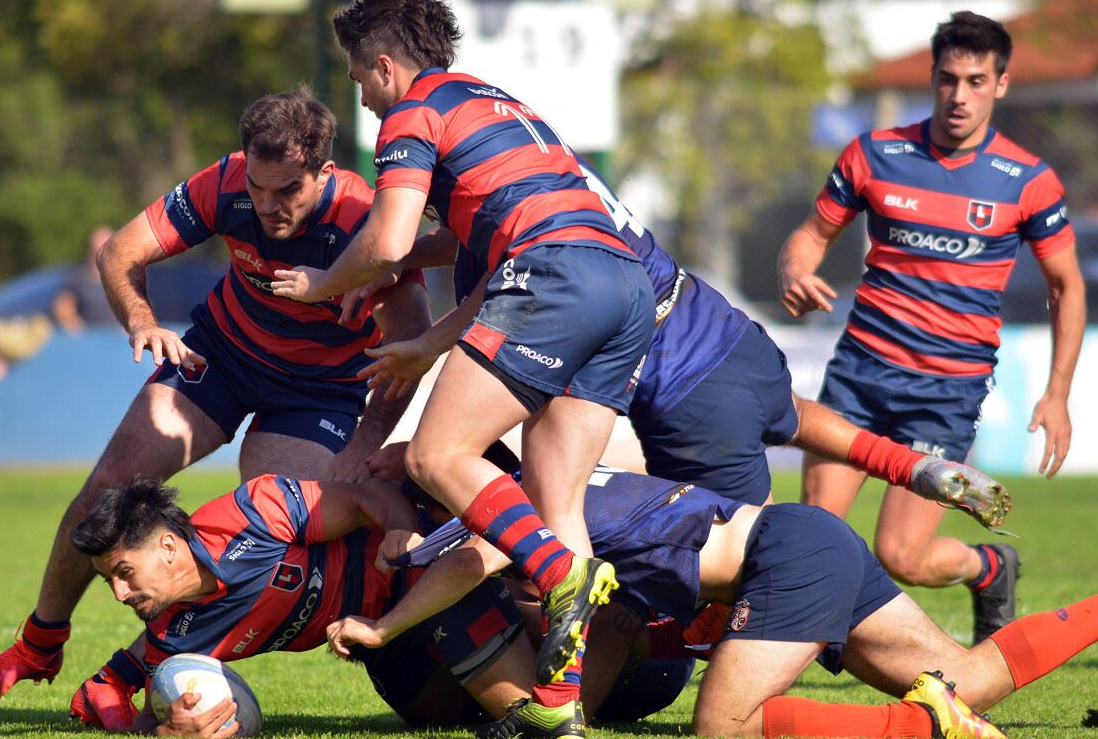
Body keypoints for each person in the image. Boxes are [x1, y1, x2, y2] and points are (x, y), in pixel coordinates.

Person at [0, 89, 431, 706]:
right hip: (219, 358)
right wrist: (142, 320)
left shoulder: (368, 219)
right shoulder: (226, 184)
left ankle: (148, 669)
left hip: (320, 392)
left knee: (296, 535)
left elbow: (412, 341)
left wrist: (363, 446)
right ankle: (38, 645)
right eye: (258, 188)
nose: (266, 206)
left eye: (286, 191)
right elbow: (119, 251)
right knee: (109, 484)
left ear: (325, 173)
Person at [272, 0, 656, 719]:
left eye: (359, 80)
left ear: (385, 66)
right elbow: (472, 229)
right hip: (625, 281)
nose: (361, 98)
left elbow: (384, 239)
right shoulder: (491, 99)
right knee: (555, 501)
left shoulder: (411, 112)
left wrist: (322, 283)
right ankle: (559, 705)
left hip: (556, 277)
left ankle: (556, 573)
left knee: (435, 456)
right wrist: (416, 269)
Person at [355, 158, 1013, 527]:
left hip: (686, 396)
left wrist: (434, 444)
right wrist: (387, 261)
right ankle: (916, 467)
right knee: (789, 414)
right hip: (727, 333)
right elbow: (462, 240)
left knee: (760, 567)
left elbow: (524, 382)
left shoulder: (523, 254)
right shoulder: (555, 185)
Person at [331, 461, 1098, 739]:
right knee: (973, 678)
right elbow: (613, 611)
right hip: (803, 538)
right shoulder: (558, 476)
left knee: (723, 726)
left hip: (780, 558)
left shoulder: (513, 508)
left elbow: (470, 561)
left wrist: (383, 623)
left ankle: (922, 727)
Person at [778, 12, 1086, 643]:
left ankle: (989, 567)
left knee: (903, 557)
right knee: (815, 533)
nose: (960, 96)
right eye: (949, 79)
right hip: (859, 376)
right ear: (932, 77)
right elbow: (810, 237)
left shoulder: (1028, 181)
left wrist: (1057, 393)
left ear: (1001, 84)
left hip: (944, 395)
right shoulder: (875, 154)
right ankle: (810, 651)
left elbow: (1067, 286)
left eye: (977, 81)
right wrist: (795, 270)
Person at [68, 474, 535, 734]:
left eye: (124, 572)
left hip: (422, 579)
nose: (118, 594)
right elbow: (152, 721)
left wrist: (398, 529)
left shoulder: (253, 514)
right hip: (376, 646)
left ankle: (562, 617)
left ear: (168, 548)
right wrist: (168, 733)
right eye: (108, 580)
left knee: (520, 709)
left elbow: (363, 497)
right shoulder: (174, 637)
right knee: (443, 719)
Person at [52, 226, 118, 333]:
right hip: (89, 340)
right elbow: (63, 308)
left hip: (118, 339)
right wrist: (80, 331)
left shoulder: (124, 277)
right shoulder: (77, 277)